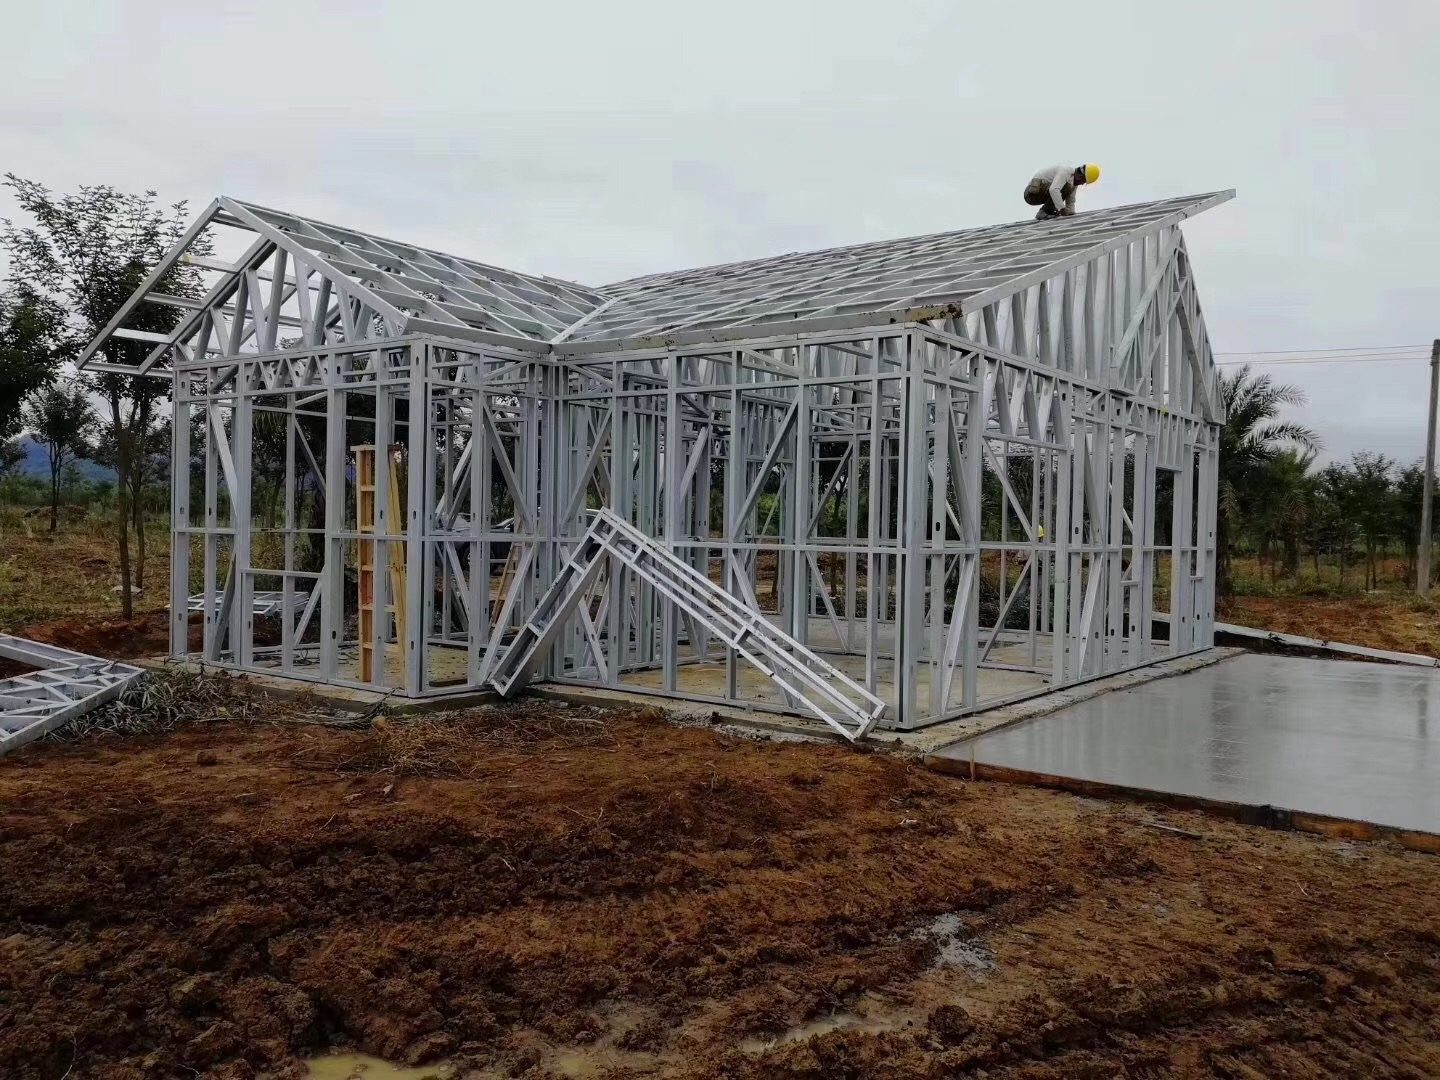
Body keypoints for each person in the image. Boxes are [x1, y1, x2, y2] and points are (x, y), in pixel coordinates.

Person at [1024, 164, 1101, 219]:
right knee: (1066, 187)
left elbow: (1071, 200)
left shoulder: (1073, 181)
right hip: (1031, 194)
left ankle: (1048, 211)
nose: (1082, 183)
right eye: (1084, 181)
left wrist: (1071, 213)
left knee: (1068, 187)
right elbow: (1053, 190)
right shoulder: (1065, 172)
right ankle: (1043, 212)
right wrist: (1062, 209)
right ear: (1081, 176)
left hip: (1041, 193)